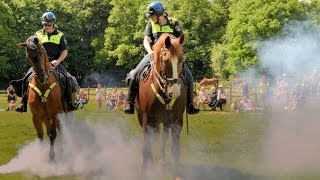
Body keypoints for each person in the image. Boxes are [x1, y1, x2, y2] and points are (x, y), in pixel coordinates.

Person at [124, 1, 199, 115]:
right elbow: (146, 40)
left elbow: (180, 40)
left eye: (152, 15)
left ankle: (190, 104)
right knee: (134, 74)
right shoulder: (150, 24)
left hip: (171, 56)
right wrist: (150, 52)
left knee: (189, 76)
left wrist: (172, 44)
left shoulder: (174, 22)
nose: (151, 17)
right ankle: (129, 102)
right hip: (153, 55)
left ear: (160, 14)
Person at [11, 11, 78, 112]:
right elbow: (31, 46)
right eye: (44, 24)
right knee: (26, 78)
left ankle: (69, 102)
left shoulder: (60, 35)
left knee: (68, 78)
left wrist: (58, 61)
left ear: (53, 24)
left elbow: (64, 51)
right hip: (40, 64)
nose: (46, 26)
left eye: (48, 24)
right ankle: (23, 103)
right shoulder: (38, 34)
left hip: (55, 63)